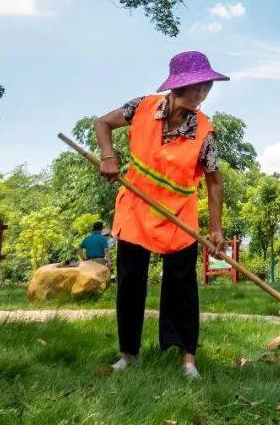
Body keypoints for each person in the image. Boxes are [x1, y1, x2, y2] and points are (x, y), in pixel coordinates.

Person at [95, 51, 228, 379]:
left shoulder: (205, 133)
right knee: (130, 281)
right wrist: (108, 156)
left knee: (182, 285)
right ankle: (129, 354)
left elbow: (214, 182)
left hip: (178, 213)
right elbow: (103, 123)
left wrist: (216, 229)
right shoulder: (141, 107)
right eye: (195, 88)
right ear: (177, 86)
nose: (201, 95)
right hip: (136, 208)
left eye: (206, 88)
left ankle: (186, 359)